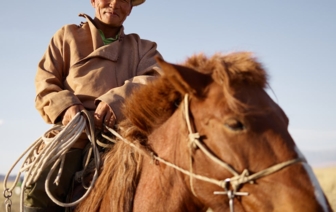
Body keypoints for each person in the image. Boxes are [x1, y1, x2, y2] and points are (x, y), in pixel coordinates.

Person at [24, 0, 162, 211]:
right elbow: (45, 81)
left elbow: (157, 80)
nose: (114, 3)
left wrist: (116, 102)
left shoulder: (143, 48)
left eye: (124, 0)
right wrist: (67, 106)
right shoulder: (66, 36)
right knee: (40, 189)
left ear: (130, 8)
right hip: (74, 134)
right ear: (94, 1)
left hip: (123, 136)